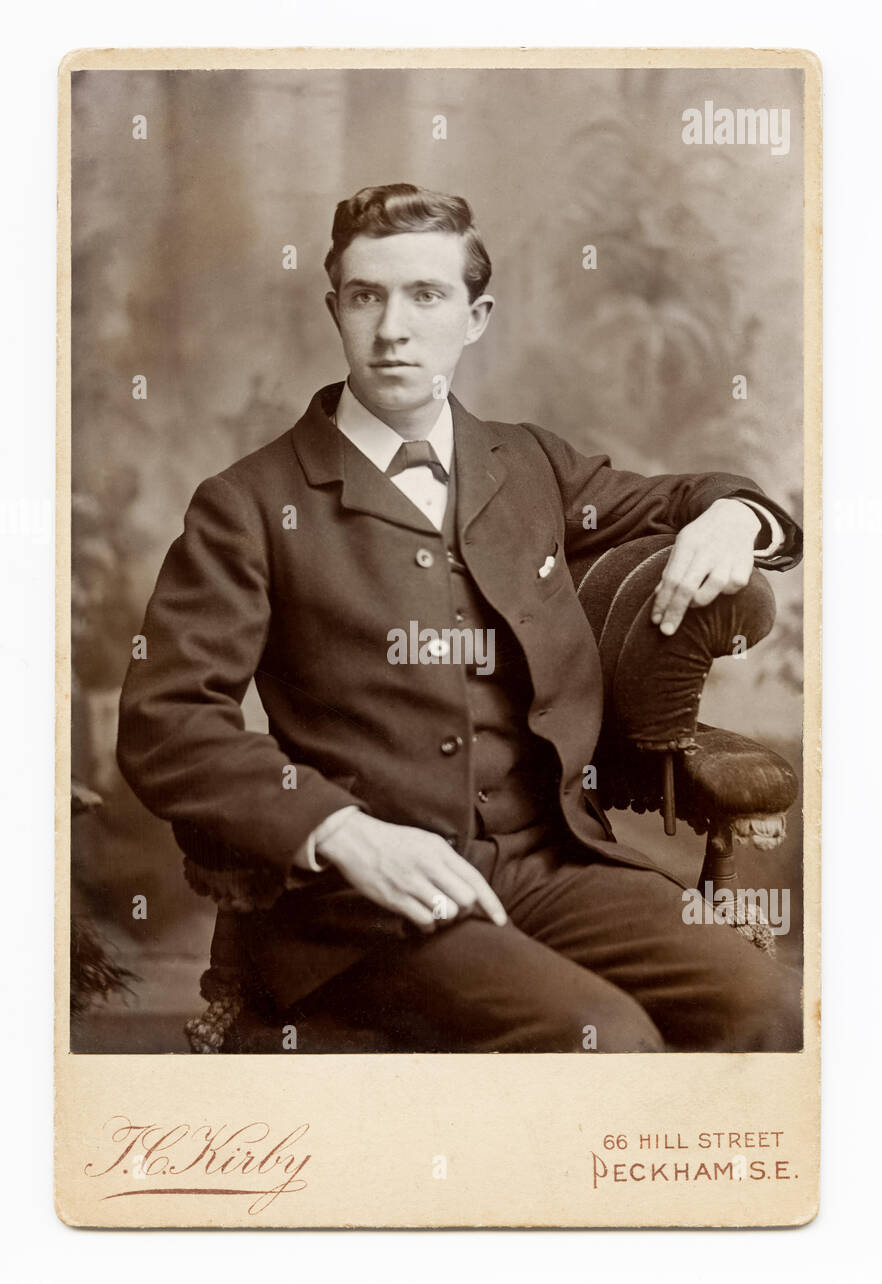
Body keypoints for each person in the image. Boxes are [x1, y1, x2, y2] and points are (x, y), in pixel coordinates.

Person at [117, 183, 803, 1053]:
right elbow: (164, 721)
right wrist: (339, 832)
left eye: (426, 295)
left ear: (476, 317)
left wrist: (737, 517)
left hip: (554, 866)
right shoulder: (248, 504)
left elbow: (686, 495)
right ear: (335, 309)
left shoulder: (529, 464)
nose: (393, 328)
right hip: (366, 907)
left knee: (770, 1012)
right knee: (602, 1039)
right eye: (367, 296)